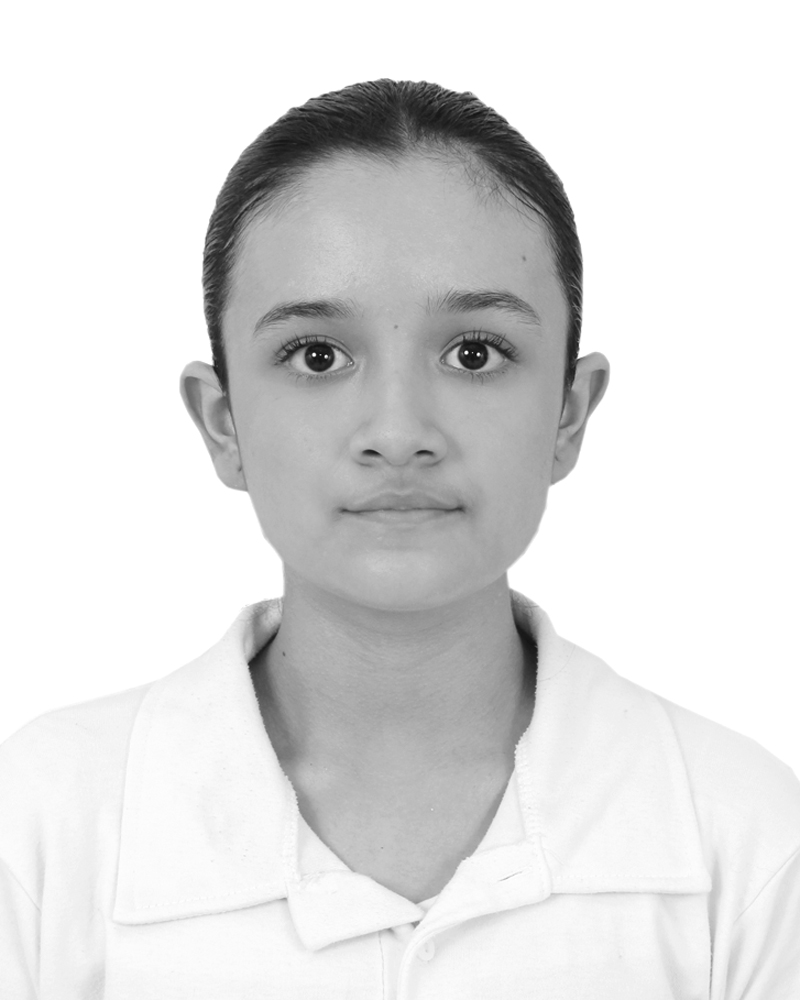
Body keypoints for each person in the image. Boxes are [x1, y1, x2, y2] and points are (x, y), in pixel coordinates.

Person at [1, 78, 798, 999]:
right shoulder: (43, 829)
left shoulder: (748, 844)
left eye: (475, 353)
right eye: (317, 356)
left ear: (569, 413)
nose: (397, 430)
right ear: (222, 423)